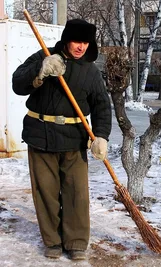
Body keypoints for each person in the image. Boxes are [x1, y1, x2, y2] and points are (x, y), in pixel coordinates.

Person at [12, 19, 111, 260]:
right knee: (45, 192)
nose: (81, 47)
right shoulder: (44, 55)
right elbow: (17, 83)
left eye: (86, 42)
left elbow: (101, 105)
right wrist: (41, 70)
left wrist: (101, 136)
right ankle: (53, 241)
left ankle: (76, 242)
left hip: (75, 139)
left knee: (76, 193)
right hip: (41, 136)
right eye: (77, 41)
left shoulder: (90, 70)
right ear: (66, 39)